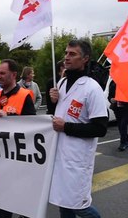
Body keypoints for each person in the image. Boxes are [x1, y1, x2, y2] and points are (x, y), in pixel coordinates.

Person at [49, 40, 108, 218]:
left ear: (85, 59)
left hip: (77, 161)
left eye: (72, 54)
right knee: (63, 204)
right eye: (66, 53)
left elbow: (100, 128)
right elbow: (57, 117)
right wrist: (52, 103)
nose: (67, 57)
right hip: (60, 157)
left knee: (80, 207)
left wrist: (66, 127)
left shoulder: (92, 88)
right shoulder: (61, 83)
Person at [0, 59, 36, 218]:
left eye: (2, 73)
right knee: (7, 195)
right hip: (1, 155)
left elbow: (33, 126)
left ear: (13, 75)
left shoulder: (24, 95)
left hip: (19, 157)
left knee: (16, 196)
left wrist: (10, 116)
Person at [108, 80, 128, 151]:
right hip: (117, 108)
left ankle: (123, 143)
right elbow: (109, 95)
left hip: (127, 108)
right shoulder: (113, 83)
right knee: (120, 125)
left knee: (123, 125)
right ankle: (126, 139)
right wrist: (111, 99)